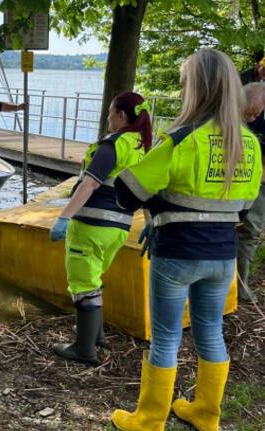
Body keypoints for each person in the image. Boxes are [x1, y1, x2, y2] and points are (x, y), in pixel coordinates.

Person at [110, 49, 262, 431]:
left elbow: (126, 192)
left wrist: (160, 210)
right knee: (211, 330)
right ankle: (206, 414)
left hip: (176, 253)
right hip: (222, 255)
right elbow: (243, 208)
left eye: (183, 83)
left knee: (165, 338)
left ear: (195, 88)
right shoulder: (250, 144)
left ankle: (148, 419)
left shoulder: (180, 141)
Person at [49, 92, 152, 365]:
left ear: (121, 116)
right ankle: (96, 336)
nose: (107, 118)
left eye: (110, 113)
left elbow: (90, 183)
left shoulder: (112, 146)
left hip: (92, 226)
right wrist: (152, 220)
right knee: (93, 279)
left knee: (83, 284)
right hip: (118, 229)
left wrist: (64, 216)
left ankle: (84, 349)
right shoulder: (141, 147)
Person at [237, 82, 265, 301]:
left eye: (256, 114)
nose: (252, 118)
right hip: (237, 178)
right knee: (245, 230)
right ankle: (236, 285)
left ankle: (239, 283)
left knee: (250, 232)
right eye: (250, 113)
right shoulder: (233, 115)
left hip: (257, 180)